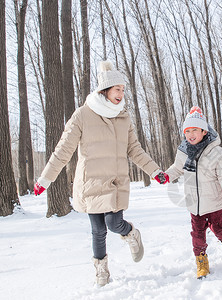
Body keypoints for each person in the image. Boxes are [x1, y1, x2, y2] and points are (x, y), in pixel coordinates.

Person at [33, 61, 163, 287]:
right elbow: (63, 150)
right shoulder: (82, 115)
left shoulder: (124, 117)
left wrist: (155, 171)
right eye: (117, 89)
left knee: (114, 224)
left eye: (123, 90)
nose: (121, 94)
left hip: (114, 182)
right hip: (91, 182)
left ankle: (131, 233)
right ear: (105, 90)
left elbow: (135, 150)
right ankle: (101, 271)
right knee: (98, 230)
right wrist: (45, 179)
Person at [155, 106, 222, 279]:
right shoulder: (184, 151)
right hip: (194, 204)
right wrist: (166, 176)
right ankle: (201, 262)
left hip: (213, 202)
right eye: (187, 131)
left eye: (195, 130)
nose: (191, 134)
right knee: (197, 235)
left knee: (219, 228)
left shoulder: (217, 152)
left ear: (204, 131)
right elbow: (177, 169)